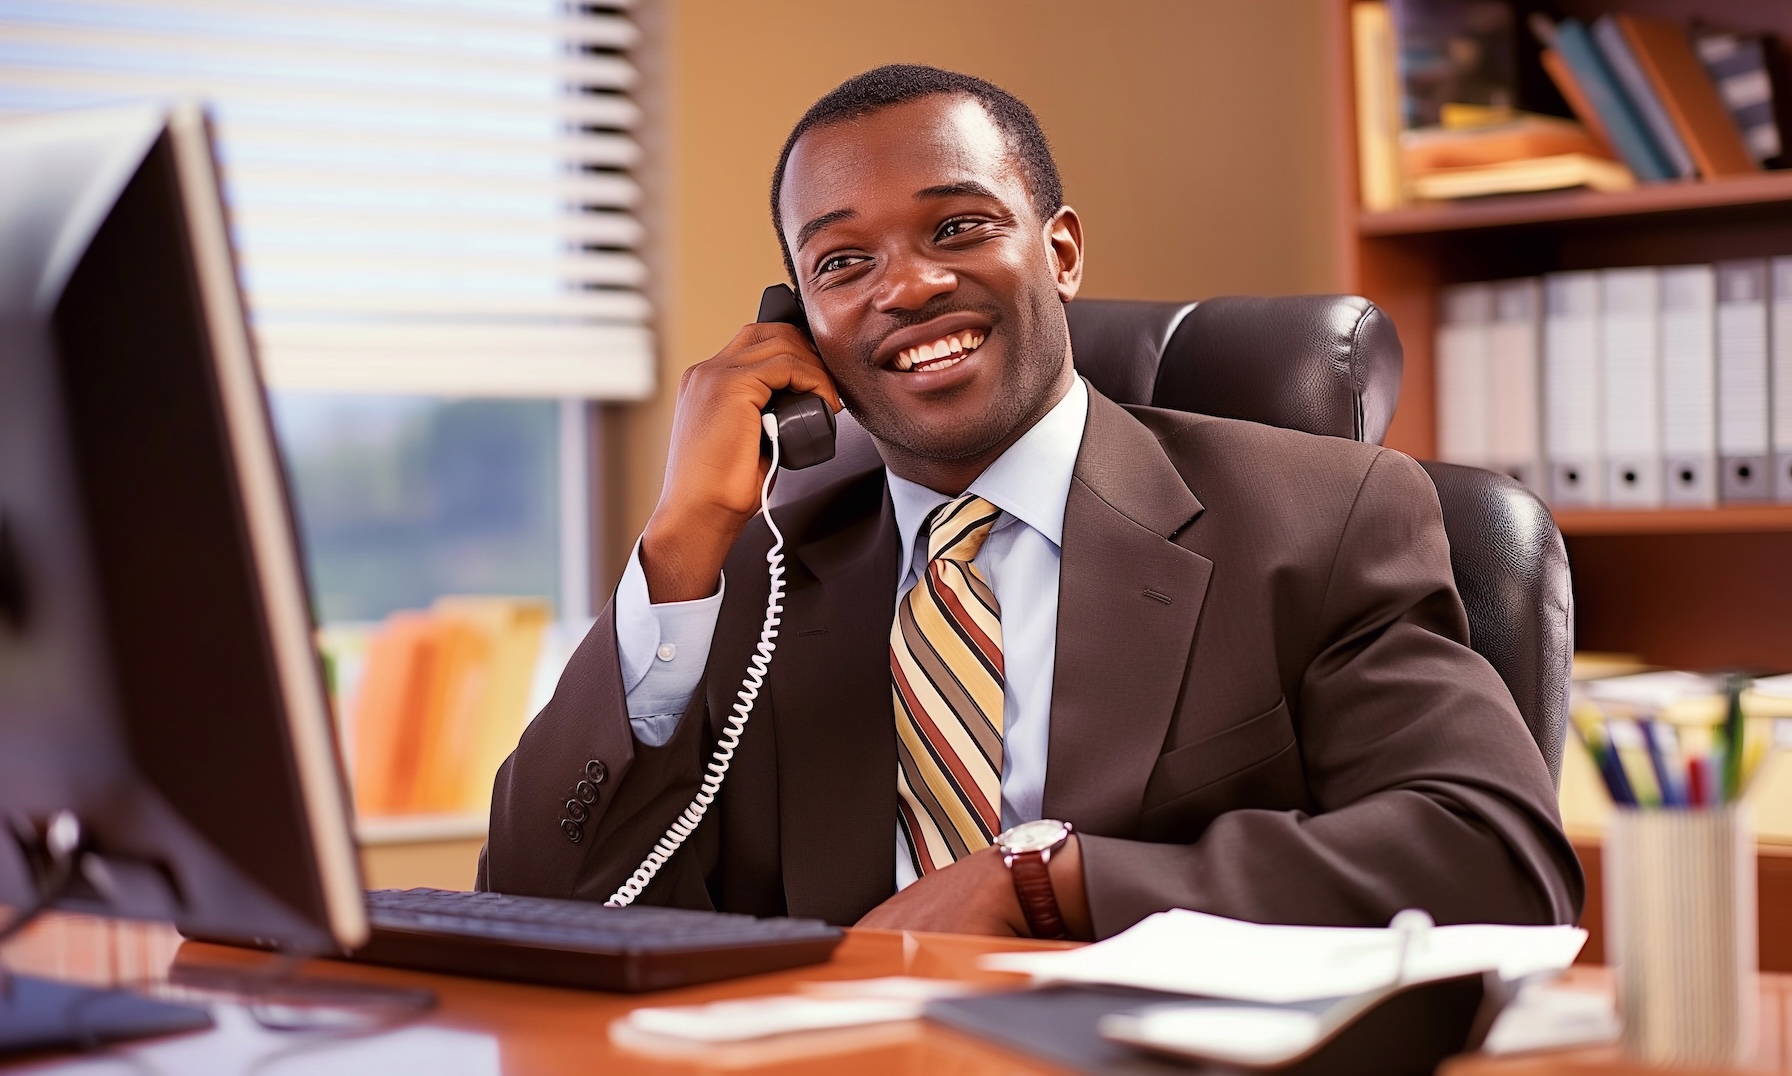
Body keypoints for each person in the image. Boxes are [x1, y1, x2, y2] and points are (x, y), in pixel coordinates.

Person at [477, 64, 1583, 940]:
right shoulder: (753, 575)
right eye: (842, 262)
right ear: (797, 321)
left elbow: (1494, 855)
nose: (905, 285)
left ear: (1060, 252)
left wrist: (1049, 883)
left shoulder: (1318, 518)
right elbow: (533, 902)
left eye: (957, 227)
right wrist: (677, 547)